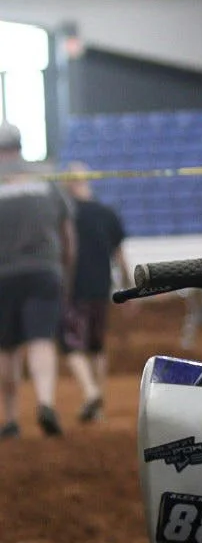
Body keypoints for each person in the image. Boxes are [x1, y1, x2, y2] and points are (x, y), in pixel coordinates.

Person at [0, 121, 73, 439]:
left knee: (6, 349)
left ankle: (11, 419)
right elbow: (67, 230)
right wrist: (66, 269)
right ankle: (45, 403)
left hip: (3, 274)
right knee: (42, 340)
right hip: (45, 270)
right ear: (20, 145)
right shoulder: (46, 177)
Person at [60, 175, 131, 422]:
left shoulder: (66, 215)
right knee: (96, 346)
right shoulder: (107, 213)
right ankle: (98, 405)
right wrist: (129, 288)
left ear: (67, 186)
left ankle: (90, 392)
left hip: (74, 289)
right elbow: (120, 257)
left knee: (71, 345)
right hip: (101, 288)